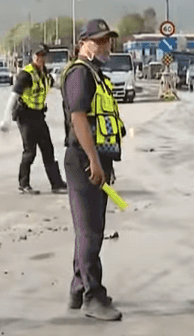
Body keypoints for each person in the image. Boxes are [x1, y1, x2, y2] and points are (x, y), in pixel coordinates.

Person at [61, 19, 125, 321]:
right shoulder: (79, 74)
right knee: (91, 232)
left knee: (89, 230)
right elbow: (78, 118)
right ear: (84, 43)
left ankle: (77, 287)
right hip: (84, 160)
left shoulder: (96, 75)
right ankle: (93, 296)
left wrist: (105, 162)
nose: (105, 46)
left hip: (97, 159)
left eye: (107, 41)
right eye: (99, 41)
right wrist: (94, 161)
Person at [0, 44, 67, 194]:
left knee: (48, 149)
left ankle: (57, 184)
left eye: (43, 56)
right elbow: (13, 96)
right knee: (30, 151)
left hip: (38, 115)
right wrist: (6, 119)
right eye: (38, 56)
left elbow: (55, 84)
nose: (41, 59)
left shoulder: (44, 73)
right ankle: (24, 184)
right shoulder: (26, 74)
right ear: (33, 56)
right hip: (25, 116)